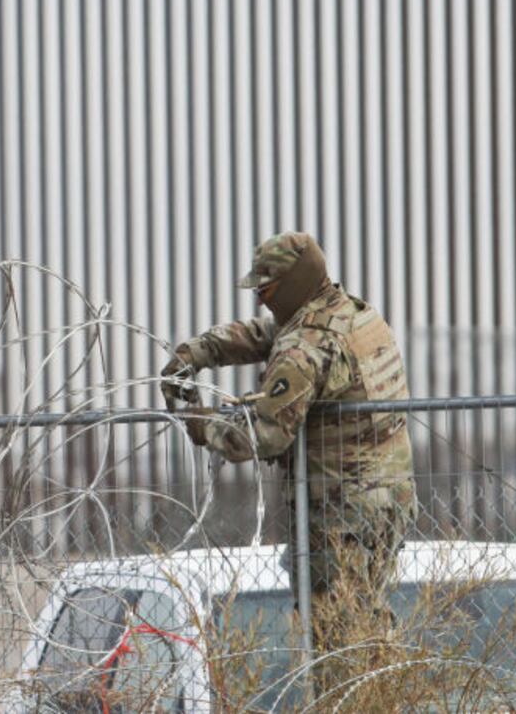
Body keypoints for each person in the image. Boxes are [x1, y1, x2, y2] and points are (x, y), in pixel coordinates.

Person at [161, 231, 416, 698]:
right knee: (369, 626)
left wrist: (198, 421)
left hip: (339, 519)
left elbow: (263, 437)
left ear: (295, 283)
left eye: (268, 287)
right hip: (388, 502)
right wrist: (202, 350)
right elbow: (268, 335)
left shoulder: (305, 349)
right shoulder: (354, 316)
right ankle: (385, 700)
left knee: (337, 644)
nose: (261, 296)